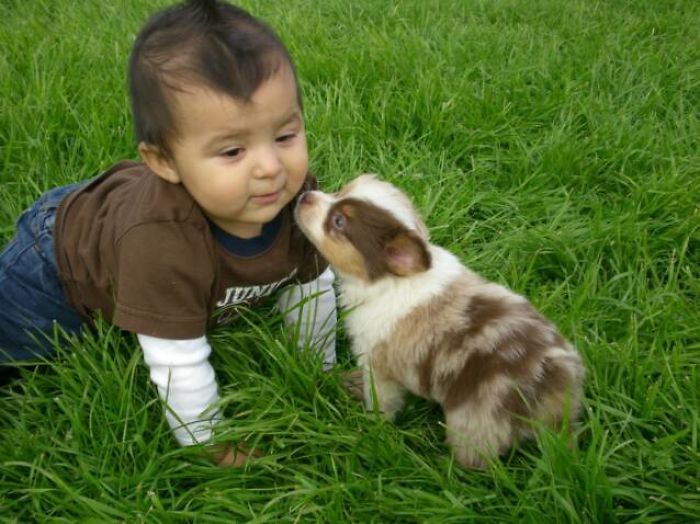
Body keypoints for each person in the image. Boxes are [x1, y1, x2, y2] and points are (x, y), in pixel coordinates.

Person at [0, 0, 337, 466]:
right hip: (58, 261)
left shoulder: (297, 200)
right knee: (18, 352)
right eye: (233, 150)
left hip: (118, 216)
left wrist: (319, 369)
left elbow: (311, 284)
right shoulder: (162, 242)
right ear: (163, 162)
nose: (271, 168)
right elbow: (177, 359)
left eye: (284, 136)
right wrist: (209, 443)